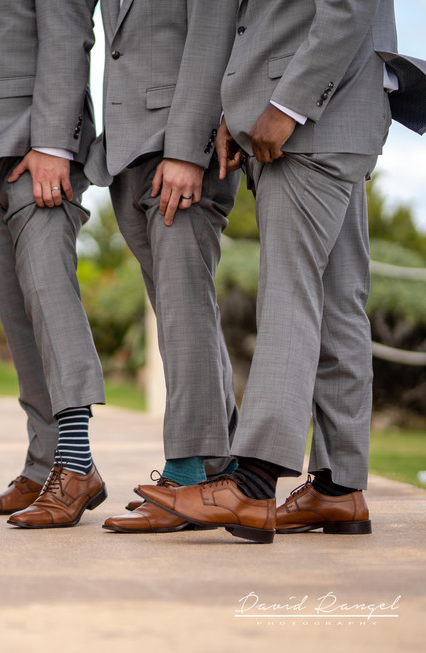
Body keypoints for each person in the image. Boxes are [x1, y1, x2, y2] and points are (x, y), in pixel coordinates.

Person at [137, 0, 425, 543]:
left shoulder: (294, 113)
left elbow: (347, 6)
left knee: (290, 296)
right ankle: (338, 489)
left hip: (306, 124)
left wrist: (286, 105)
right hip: (338, 117)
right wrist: (236, 111)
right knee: (339, 302)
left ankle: (251, 482)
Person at [0, 0, 108, 528]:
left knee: (49, 297)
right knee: (20, 317)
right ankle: (44, 466)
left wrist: (53, 143)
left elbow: (68, 34)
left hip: (39, 150)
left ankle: (76, 462)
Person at [84, 0, 241, 534]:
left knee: (185, 314)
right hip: (129, 155)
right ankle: (222, 468)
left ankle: (187, 478)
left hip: (179, 153)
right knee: (184, 314)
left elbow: (211, 38)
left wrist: (188, 150)